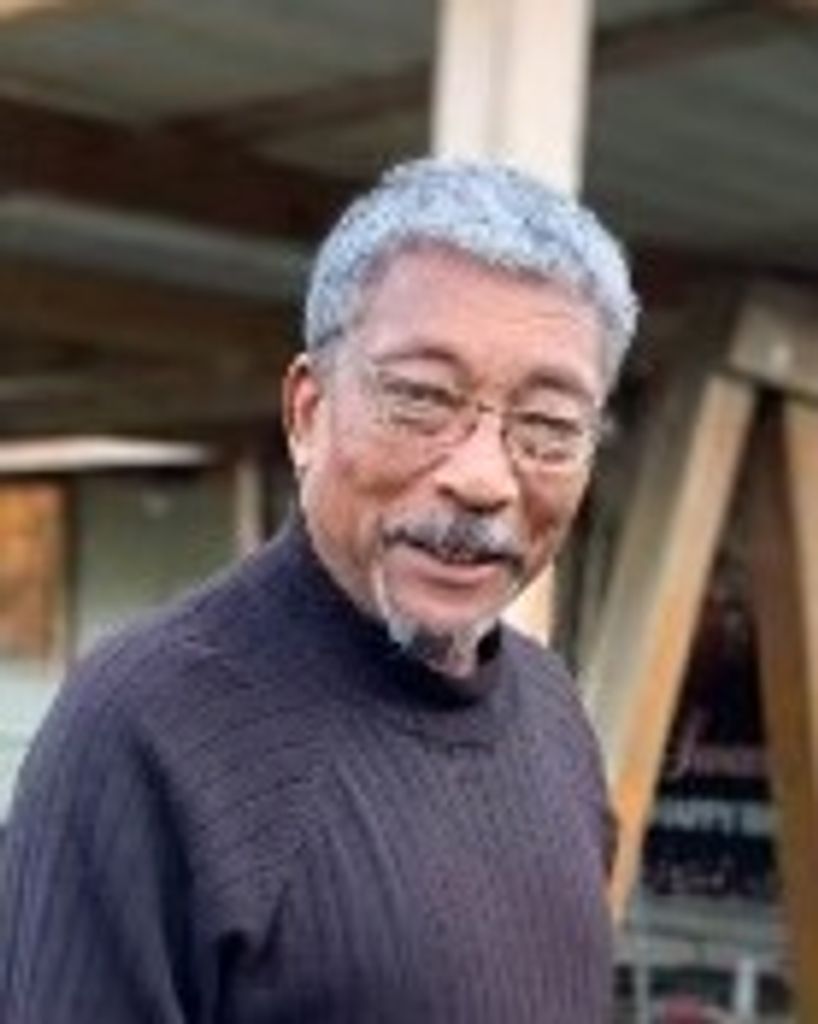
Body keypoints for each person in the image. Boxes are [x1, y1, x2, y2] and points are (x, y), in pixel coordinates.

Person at [0, 158, 638, 1022]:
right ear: (308, 411)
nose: (484, 479)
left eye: (550, 426)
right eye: (421, 399)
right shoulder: (144, 727)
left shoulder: (553, 713)